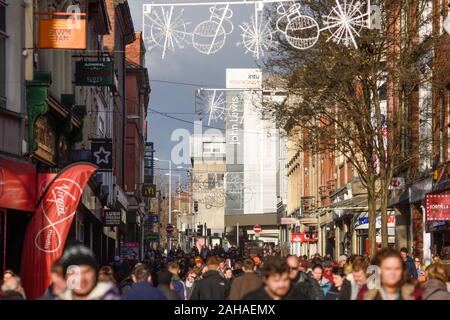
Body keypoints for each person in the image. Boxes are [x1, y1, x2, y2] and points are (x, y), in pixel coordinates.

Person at [242, 256, 309, 300]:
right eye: (276, 281)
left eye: (285, 280)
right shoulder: (252, 298)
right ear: (265, 279)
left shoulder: (299, 297)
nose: (281, 285)